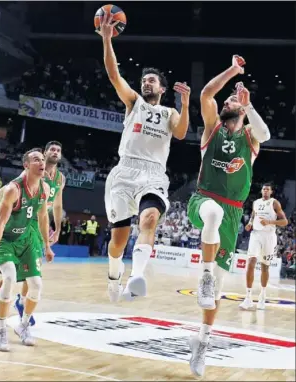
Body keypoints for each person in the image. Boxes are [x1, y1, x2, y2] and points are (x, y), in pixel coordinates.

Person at [186, 55, 271, 377]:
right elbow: (207, 94)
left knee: (215, 295)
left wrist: (249, 106)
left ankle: (202, 344)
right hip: (205, 198)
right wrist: (234, 71)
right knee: (212, 215)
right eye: (229, 99)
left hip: (234, 213)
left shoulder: (249, 135)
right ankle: (205, 275)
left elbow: (264, 134)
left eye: (233, 98)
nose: (228, 100)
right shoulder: (213, 127)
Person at [96, 13, 191, 302]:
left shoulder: (170, 113)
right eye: (144, 80)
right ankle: (115, 274)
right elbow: (114, 75)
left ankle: (137, 276)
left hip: (153, 173)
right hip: (124, 172)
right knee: (118, 241)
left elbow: (181, 134)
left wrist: (185, 103)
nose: (146, 83)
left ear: (162, 89)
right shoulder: (134, 102)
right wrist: (107, 40)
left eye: (152, 81)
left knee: (149, 219)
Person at [0, 142, 65, 324]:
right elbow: (9, 187)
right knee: (21, 271)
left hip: (39, 222)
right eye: (51, 149)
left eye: (58, 150)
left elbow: (58, 205)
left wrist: (58, 228)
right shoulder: (33, 171)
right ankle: (17, 302)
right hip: (26, 221)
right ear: (45, 153)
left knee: (27, 270)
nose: (55, 152)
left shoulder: (60, 178)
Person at [0, 149, 55, 352]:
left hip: (26, 240)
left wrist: (47, 245)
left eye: (42, 159)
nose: (41, 162)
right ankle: (1, 329)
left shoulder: (45, 189)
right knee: (9, 278)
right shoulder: (13, 189)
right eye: (35, 160)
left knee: (37, 284)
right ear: (26, 165)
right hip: (6, 240)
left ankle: (23, 326)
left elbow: (42, 217)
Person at [240, 184, 287, 310]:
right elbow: (253, 216)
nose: (265, 191)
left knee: (264, 267)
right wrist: (250, 224)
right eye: (264, 189)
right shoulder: (256, 202)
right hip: (256, 235)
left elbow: (284, 221)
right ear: (261, 191)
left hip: (269, 236)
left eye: (268, 189)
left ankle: (262, 296)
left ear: (271, 192)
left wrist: (270, 222)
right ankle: (248, 297)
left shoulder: (274, 203)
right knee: (250, 262)